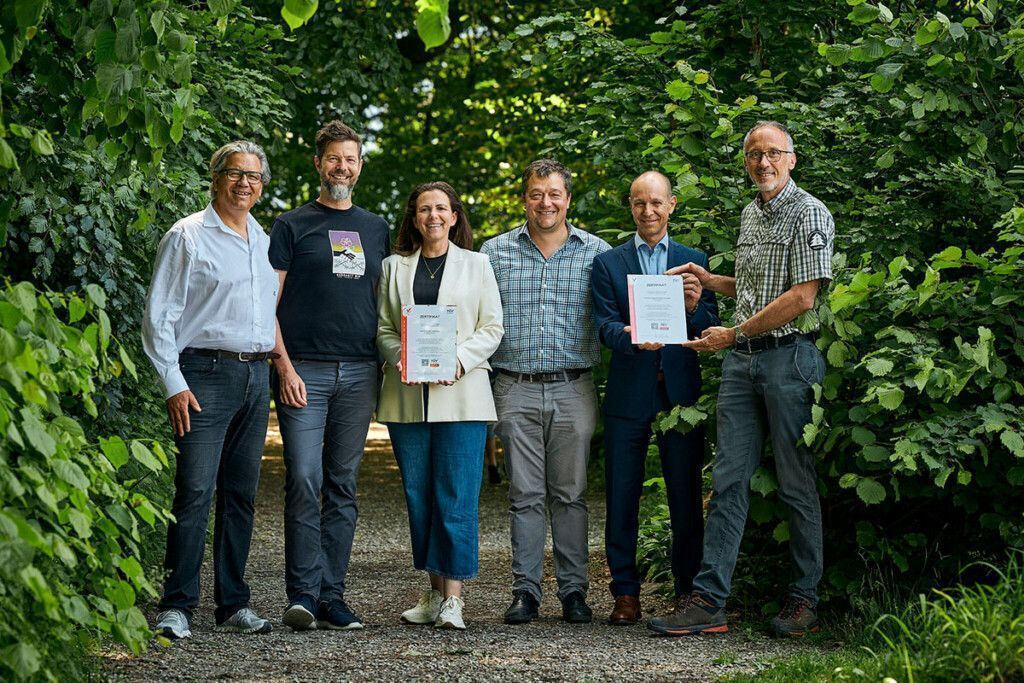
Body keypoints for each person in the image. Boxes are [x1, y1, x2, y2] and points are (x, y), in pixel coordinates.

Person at [648, 121, 835, 638]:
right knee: (728, 480)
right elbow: (756, 288)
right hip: (742, 364)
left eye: (773, 153)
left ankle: (804, 600)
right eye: (754, 154)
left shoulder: (810, 213)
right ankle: (709, 600)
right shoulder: (752, 213)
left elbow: (802, 298)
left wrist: (731, 334)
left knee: (796, 481)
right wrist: (712, 283)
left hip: (788, 360)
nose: (763, 163)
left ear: (792, 159)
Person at [142, 140, 277, 639]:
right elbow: (159, 316)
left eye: (255, 176)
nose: (246, 183)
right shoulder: (188, 236)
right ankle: (177, 605)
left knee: (240, 494)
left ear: (262, 186)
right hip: (204, 375)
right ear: (216, 177)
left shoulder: (262, 239)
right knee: (195, 489)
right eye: (236, 174)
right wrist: (173, 384)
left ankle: (233, 604)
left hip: (254, 375)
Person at [269, 121, 390, 631]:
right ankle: (301, 594)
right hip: (305, 372)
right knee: (303, 477)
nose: (343, 166)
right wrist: (284, 366)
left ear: (360, 167)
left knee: (341, 484)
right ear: (318, 164)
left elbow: (395, 298)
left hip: (361, 373)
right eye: (334, 158)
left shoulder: (377, 228)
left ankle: (331, 595)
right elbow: (265, 304)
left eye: (351, 159)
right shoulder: (291, 225)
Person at [481, 158, 611, 625]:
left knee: (571, 493)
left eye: (554, 194)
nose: (546, 202)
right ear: (525, 199)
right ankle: (526, 592)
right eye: (537, 194)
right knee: (524, 493)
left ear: (568, 199)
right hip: (513, 386)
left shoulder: (597, 253)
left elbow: (617, 315)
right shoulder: (494, 252)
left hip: (573, 387)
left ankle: (575, 592)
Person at [591, 171, 719, 626]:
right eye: (639, 203)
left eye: (656, 203)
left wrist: (690, 308)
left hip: (680, 392)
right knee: (621, 494)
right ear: (631, 206)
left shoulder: (693, 260)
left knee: (685, 496)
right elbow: (604, 326)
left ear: (672, 205)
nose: (648, 211)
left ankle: (688, 592)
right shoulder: (608, 263)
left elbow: (708, 323)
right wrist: (629, 337)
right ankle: (625, 592)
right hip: (629, 392)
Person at [376, 181, 504, 630]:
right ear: (414, 218)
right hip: (408, 397)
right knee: (420, 496)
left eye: (441, 209)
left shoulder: (478, 264)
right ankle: (432, 593)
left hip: (463, 395)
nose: (433, 216)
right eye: (424, 209)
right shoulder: (393, 267)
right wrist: (400, 356)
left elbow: (492, 328)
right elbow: (384, 329)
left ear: (454, 217)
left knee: (456, 495)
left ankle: (454, 599)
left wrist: (459, 360)